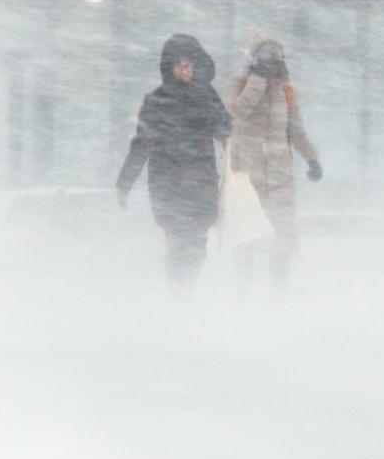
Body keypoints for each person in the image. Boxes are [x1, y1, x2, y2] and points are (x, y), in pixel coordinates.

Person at [116, 34, 232, 294]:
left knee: (198, 247)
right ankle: (179, 294)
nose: (185, 69)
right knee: (178, 243)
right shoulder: (157, 101)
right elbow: (141, 144)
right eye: (180, 64)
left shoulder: (205, 97)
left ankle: (185, 292)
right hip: (168, 184)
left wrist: (210, 98)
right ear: (170, 67)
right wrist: (125, 182)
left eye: (190, 64)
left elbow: (225, 130)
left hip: (201, 183)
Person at [222, 36, 320, 292]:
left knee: (282, 240)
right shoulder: (238, 85)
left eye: (277, 59)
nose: (273, 65)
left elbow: (295, 129)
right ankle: (242, 292)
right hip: (246, 176)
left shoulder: (285, 91)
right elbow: (237, 112)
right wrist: (256, 82)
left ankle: (279, 296)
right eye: (267, 59)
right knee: (246, 238)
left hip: (279, 178)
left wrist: (311, 157)